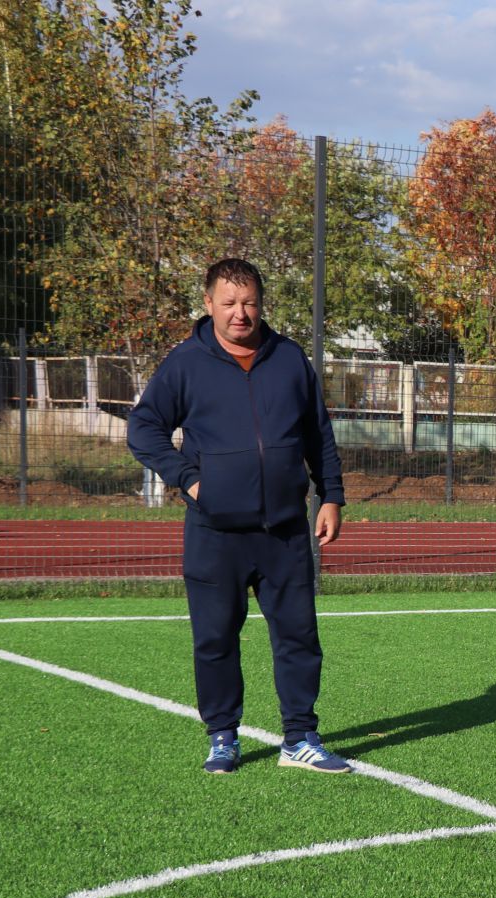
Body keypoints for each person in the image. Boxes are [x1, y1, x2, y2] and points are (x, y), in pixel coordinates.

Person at [128, 258, 351, 775]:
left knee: (298, 636)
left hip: (286, 529)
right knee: (215, 638)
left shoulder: (290, 359)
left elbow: (318, 435)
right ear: (208, 305)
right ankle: (223, 737)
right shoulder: (186, 363)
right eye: (228, 303)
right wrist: (189, 479)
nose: (240, 314)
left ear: (261, 303)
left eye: (249, 302)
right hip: (215, 532)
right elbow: (144, 429)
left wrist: (331, 496)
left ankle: (299, 737)